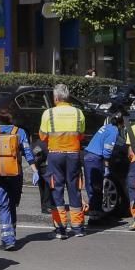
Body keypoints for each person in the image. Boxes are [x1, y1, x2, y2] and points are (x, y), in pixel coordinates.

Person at [0, 109, 39, 250]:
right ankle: (11, 235)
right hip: (15, 173)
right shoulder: (20, 132)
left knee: (3, 206)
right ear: (12, 119)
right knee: (12, 204)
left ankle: (8, 239)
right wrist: (35, 170)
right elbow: (27, 152)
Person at [39, 84, 86, 239]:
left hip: (55, 155)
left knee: (56, 189)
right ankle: (78, 227)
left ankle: (61, 228)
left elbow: (43, 137)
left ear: (56, 98)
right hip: (73, 154)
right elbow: (81, 136)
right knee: (74, 188)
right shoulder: (79, 113)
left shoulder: (48, 113)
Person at [83, 111, 124, 221]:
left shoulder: (107, 127)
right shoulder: (114, 131)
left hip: (89, 156)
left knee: (92, 186)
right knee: (96, 187)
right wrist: (106, 166)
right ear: (122, 123)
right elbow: (107, 151)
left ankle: (95, 212)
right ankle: (95, 216)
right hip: (94, 158)